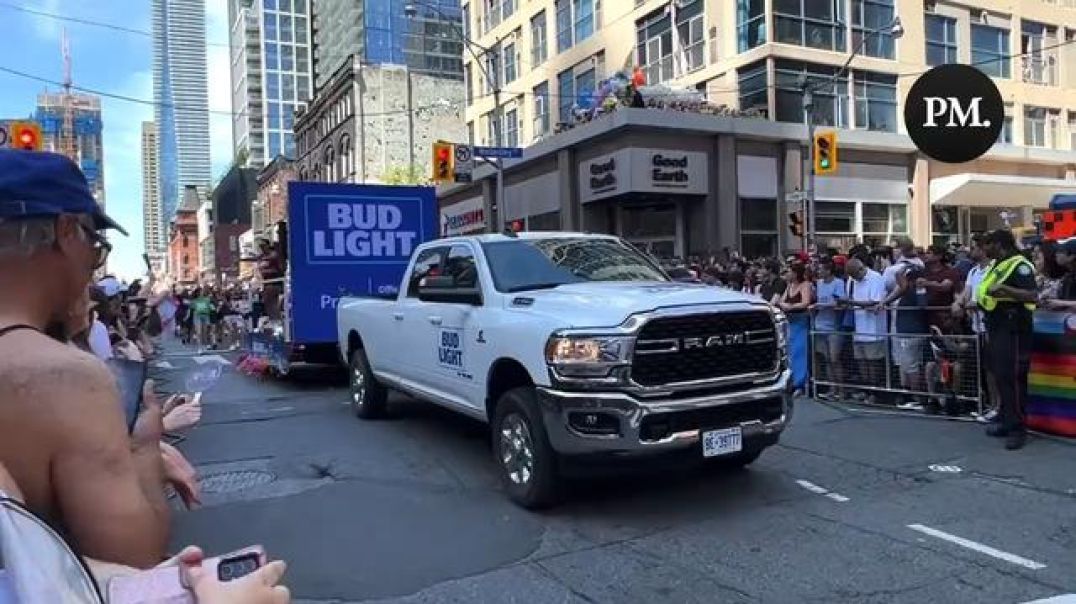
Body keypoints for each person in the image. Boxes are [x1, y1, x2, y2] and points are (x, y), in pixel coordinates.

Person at [0, 150, 179, 567]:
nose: (93, 265)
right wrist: (145, 446)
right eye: (95, 244)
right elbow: (133, 560)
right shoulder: (64, 379)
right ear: (66, 231)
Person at [976, 229, 1038, 450]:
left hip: (1014, 329)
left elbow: (1031, 295)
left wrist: (1003, 289)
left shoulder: (1020, 265)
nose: (984, 249)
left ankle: (1018, 428)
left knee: (1013, 378)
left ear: (999, 244)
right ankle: (1006, 419)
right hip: (997, 326)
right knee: (1002, 376)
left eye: (987, 244)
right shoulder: (999, 264)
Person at [952, 234, 997, 420]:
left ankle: (997, 406)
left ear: (983, 249)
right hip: (977, 327)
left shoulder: (995, 269)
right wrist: (958, 302)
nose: (971, 251)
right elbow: (967, 293)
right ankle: (989, 403)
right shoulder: (973, 271)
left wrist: (975, 304)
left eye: (974, 248)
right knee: (984, 368)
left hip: (992, 326)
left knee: (993, 369)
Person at [880, 257, 930, 410]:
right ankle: (913, 395)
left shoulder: (915, 290)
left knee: (912, 367)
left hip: (912, 332)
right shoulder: (910, 290)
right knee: (909, 366)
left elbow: (922, 306)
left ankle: (918, 399)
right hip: (907, 332)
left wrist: (903, 268)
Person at [844, 258, 887, 403]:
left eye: (856, 275)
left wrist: (851, 302)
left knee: (873, 361)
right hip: (858, 325)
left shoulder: (875, 278)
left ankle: (875, 391)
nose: (855, 279)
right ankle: (865, 389)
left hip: (873, 327)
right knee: (861, 360)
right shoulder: (851, 281)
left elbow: (875, 301)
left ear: (862, 269)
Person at [811, 260, 847, 400]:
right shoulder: (819, 284)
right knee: (826, 359)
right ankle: (832, 389)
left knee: (834, 359)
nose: (818, 271)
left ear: (828, 270)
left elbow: (840, 302)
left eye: (820, 269)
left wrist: (821, 305)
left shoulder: (838, 283)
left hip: (834, 326)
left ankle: (842, 390)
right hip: (820, 325)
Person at [777, 263, 812, 394]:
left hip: (801, 322)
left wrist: (790, 307)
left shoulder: (805, 285)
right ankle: (791, 381)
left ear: (796, 273)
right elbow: (781, 300)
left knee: (800, 352)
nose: (787, 274)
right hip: (790, 322)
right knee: (790, 352)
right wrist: (784, 305)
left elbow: (805, 301)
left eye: (790, 272)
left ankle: (800, 382)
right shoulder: (789, 285)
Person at [919, 244, 962, 332]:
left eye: (929, 253)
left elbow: (945, 286)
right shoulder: (922, 271)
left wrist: (926, 283)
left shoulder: (950, 271)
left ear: (939, 256)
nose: (926, 255)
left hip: (944, 315)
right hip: (925, 315)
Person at [1041, 238, 1076, 310]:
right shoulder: (1068, 277)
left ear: (1071, 256)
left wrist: (1060, 303)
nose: (1056, 254)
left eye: (1061, 251)